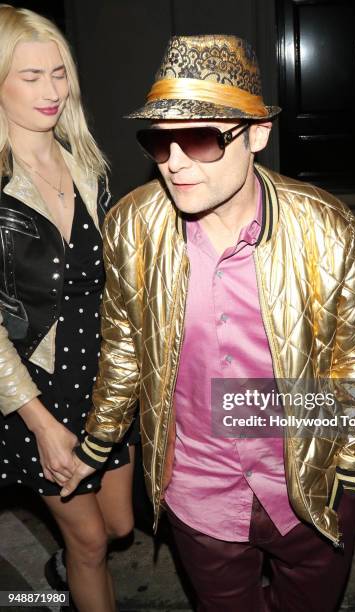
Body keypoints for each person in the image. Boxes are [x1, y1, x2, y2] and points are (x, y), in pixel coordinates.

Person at [65, 35, 355, 611]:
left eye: (202, 138)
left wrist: (352, 462)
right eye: (160, 142)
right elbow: (123, 347)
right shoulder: (131, 228)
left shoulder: (323, 225)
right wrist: (97, 442)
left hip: (309, 487)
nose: (176, 162)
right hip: (198, 493)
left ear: (258, 134)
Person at [0, 5, 137, 611]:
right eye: (31, 77)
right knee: (90, 542)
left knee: (118, 528)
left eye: (59, 73)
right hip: (34, 388)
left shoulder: (87, 162)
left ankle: (67, 567)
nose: (52, 90)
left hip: (103, 376)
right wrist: (40, 424)